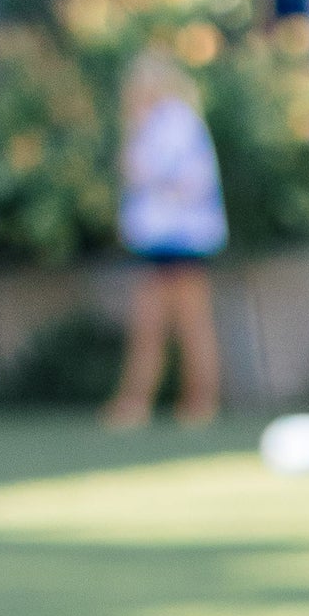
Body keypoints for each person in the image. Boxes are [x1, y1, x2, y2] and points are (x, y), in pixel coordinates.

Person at [103, 49, 227, 430]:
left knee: (182, 324)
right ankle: (144, 403)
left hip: (180, 239)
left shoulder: (175, 122)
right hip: (161, 241)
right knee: (155, 324)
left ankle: (194, 402)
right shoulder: (155, 123)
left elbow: (170, 178)